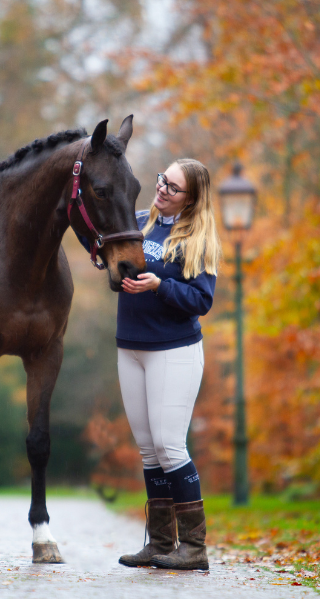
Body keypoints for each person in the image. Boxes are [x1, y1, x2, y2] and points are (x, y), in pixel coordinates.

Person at [79, 158, 221, 571]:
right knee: (148, 450)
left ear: (192, 199)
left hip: (173, 351)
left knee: (169, 445)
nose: (162, 189)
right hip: (131, 349)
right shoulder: (138, 222)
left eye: (173, 188)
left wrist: (160, 285)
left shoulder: (197, 240)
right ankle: (160, 543)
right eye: (163, 180)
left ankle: (194, 547)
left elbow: (202, 300)